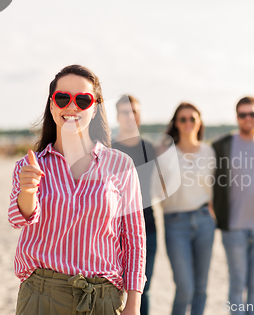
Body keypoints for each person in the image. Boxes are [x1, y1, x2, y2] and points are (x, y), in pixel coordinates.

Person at [7, 65, 146, 315]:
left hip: (103, 298)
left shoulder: (121, 165)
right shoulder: (29, 165)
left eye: (83, 100)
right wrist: (27, 191)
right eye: (63, 98)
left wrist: (134, 305)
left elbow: (134, 240)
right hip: (41, 295)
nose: (72, 106)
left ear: (94, 109)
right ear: (52, 106)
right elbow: (19, 219)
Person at [212, 96, 254, 315]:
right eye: (243, 114)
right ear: (237, 117)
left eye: (252, 114)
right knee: (237, 283)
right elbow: (206, 179)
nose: (248, 118)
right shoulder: (222, 145)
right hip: (234, 228)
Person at [153, 102, 216, 315]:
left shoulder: (210, 152)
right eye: (183, 119)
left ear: (199, 122)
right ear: (176, 124)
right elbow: (154, 187)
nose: (188, 123)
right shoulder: (165, 152)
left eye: (192, 118)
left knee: (201, 289)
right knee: (184, 288)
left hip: (204, 221)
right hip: (175, 222)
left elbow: (217, 187)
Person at [111, 95, 157, 315]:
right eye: (126, 112)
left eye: (135, 111)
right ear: (118, 116)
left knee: (142, 288)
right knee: (112, 286)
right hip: (112, 230)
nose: (131, 116)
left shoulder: (149, 147)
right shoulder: (108, 148)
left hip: (147, 227)